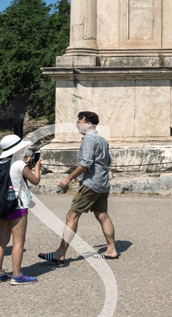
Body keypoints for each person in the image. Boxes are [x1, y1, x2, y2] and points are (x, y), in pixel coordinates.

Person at [38, 111, 117, 265]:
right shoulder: (102, 140)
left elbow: (86, 163)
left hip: (90, 184)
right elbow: (107, 162)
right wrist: (79, 174)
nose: (76, 124)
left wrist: (69, 177)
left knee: (71, 216)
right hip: (102, 183)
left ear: (88, 124)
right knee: (102, 215)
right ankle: (111, 249)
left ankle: (60, 253)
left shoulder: (88, 139)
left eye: (79, 121)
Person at [0, 135, 41, 284]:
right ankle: (17, 275)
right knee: (18, 242)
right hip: (18, 205)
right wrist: (37, 166)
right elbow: (35, 180)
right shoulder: (18, 164)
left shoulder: (1, 162)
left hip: (3, 206)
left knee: (2, 242)